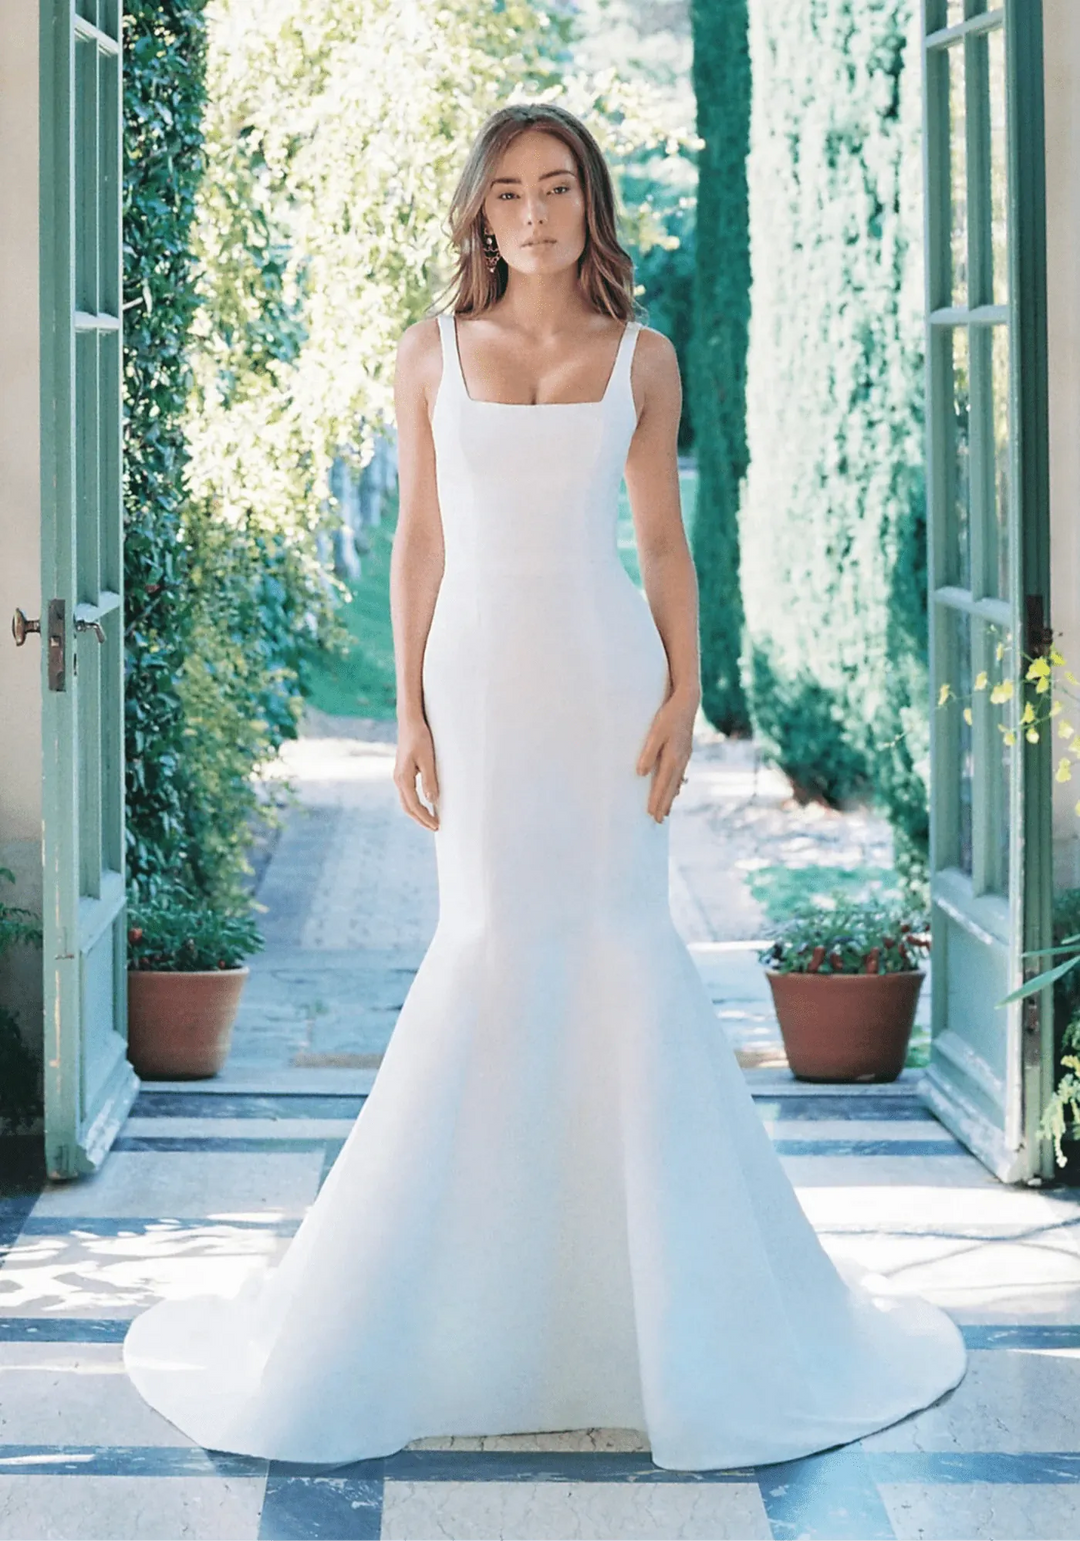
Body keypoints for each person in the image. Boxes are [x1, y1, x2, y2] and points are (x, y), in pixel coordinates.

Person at [123, 102, 967, 1471]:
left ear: (590, 204)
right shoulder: (430, 352)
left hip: (602, 679)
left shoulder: (642, 356)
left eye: (558, 187)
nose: (533, 212)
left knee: (622, 947)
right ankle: (459, 1312)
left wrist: (684, 692)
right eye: (509, 190)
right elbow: (418, 541)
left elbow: (662, 544)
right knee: (488, 943)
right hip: (477, 685)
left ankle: (655, 1320)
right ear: (481, 211)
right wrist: (408, 708)